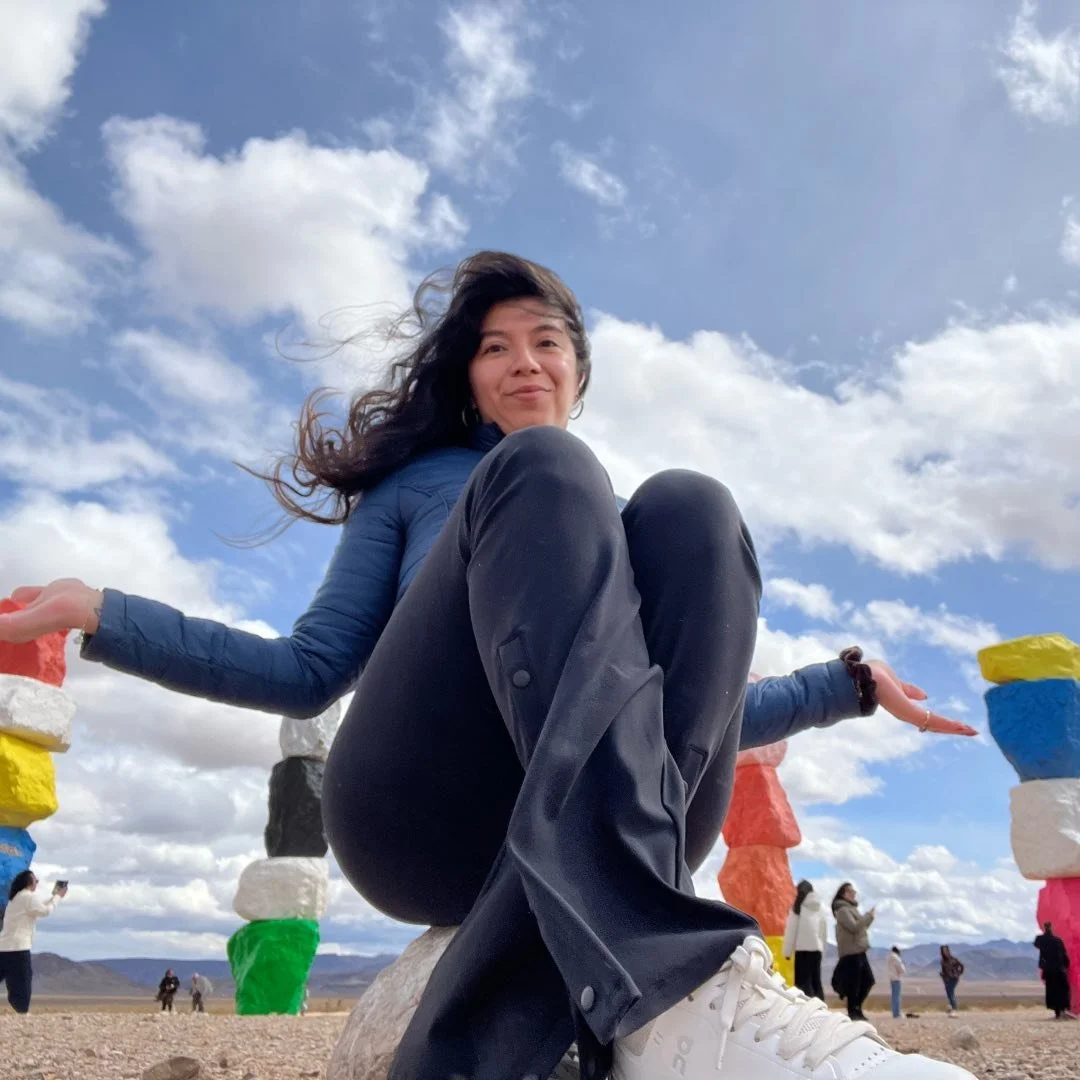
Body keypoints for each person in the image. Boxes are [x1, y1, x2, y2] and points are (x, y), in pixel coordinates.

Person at [0, 252, 979, 1080]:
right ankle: (671, 983)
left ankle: (639, 1009)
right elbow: (305, 671)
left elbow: (693, 705)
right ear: (467, 377)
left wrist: (850, 686)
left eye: (546, 342)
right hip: (429, 821)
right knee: (545, 471)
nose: (522, 364)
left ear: (580, 373)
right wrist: (101, 613)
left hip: (614, 819)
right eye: (494, 347)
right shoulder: (430, 489)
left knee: (696, 508)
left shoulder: (616, 527)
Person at [0, 871, 67, 1013]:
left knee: (12, 979)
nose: (37, 882)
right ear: (29, 882)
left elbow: (38, 906)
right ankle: (22, 1013)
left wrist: (53, 896)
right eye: (35, 880)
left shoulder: (17, 897)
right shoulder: (27, 897)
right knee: (22, 982)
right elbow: (44, 911)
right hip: (18, 948)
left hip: (4, 947)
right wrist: (58, 898)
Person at [832, 882, 876, 1021]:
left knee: (868, 980)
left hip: (859, 949)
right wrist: (868, 916)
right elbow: (854, 927)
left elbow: (860, 928)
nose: (854, 893)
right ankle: (853, 1010)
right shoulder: (843, 910)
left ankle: (857, 1008)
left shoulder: (851, 909)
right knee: (854, 983)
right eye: (851, 891)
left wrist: (870, 918)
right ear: (844, 894)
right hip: (851, 951)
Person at [782, 879, 828, 999]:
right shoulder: (820, 908)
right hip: (817, 949)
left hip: (802, 950)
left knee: (803, 982)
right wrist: (822, 951)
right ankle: (821, 1007)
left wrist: (787, 952)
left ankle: (806, 1009)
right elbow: (823, 932)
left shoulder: (798, 908)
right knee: (816, 980)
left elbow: (791, 931)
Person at [1034, 922, 1073, 1020]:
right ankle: (1061, 1011)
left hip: (1049, 970)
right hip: (1059, 970)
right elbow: (1064, 955)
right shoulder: (1057, 940)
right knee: (1062, 990)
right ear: (1052, 928)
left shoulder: (1042, 940)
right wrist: (1067, 967)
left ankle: (1058, 1013)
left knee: (1052, 991)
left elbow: (1036, 944)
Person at [939, 945, 964, 1015]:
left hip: (954, 978)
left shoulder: (953, 959)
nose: (944, 952)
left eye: (945, 950)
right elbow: (944, 970)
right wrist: (942, 975)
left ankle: (954, 1009)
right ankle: (951, 1007)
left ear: (948, 951)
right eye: (943, 951)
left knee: (951, 993)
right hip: (946, 979)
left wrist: (958, 973)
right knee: (949, 993)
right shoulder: (943, 961)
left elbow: (961, 966)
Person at [886, 946, 906, 1020]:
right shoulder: (896, 958)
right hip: (896, 978)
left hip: (891, 978)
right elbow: (902, 969)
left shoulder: (888, 957)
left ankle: (895, 1013)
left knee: (894, 996)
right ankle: (897, 1014)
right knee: (897, 996)